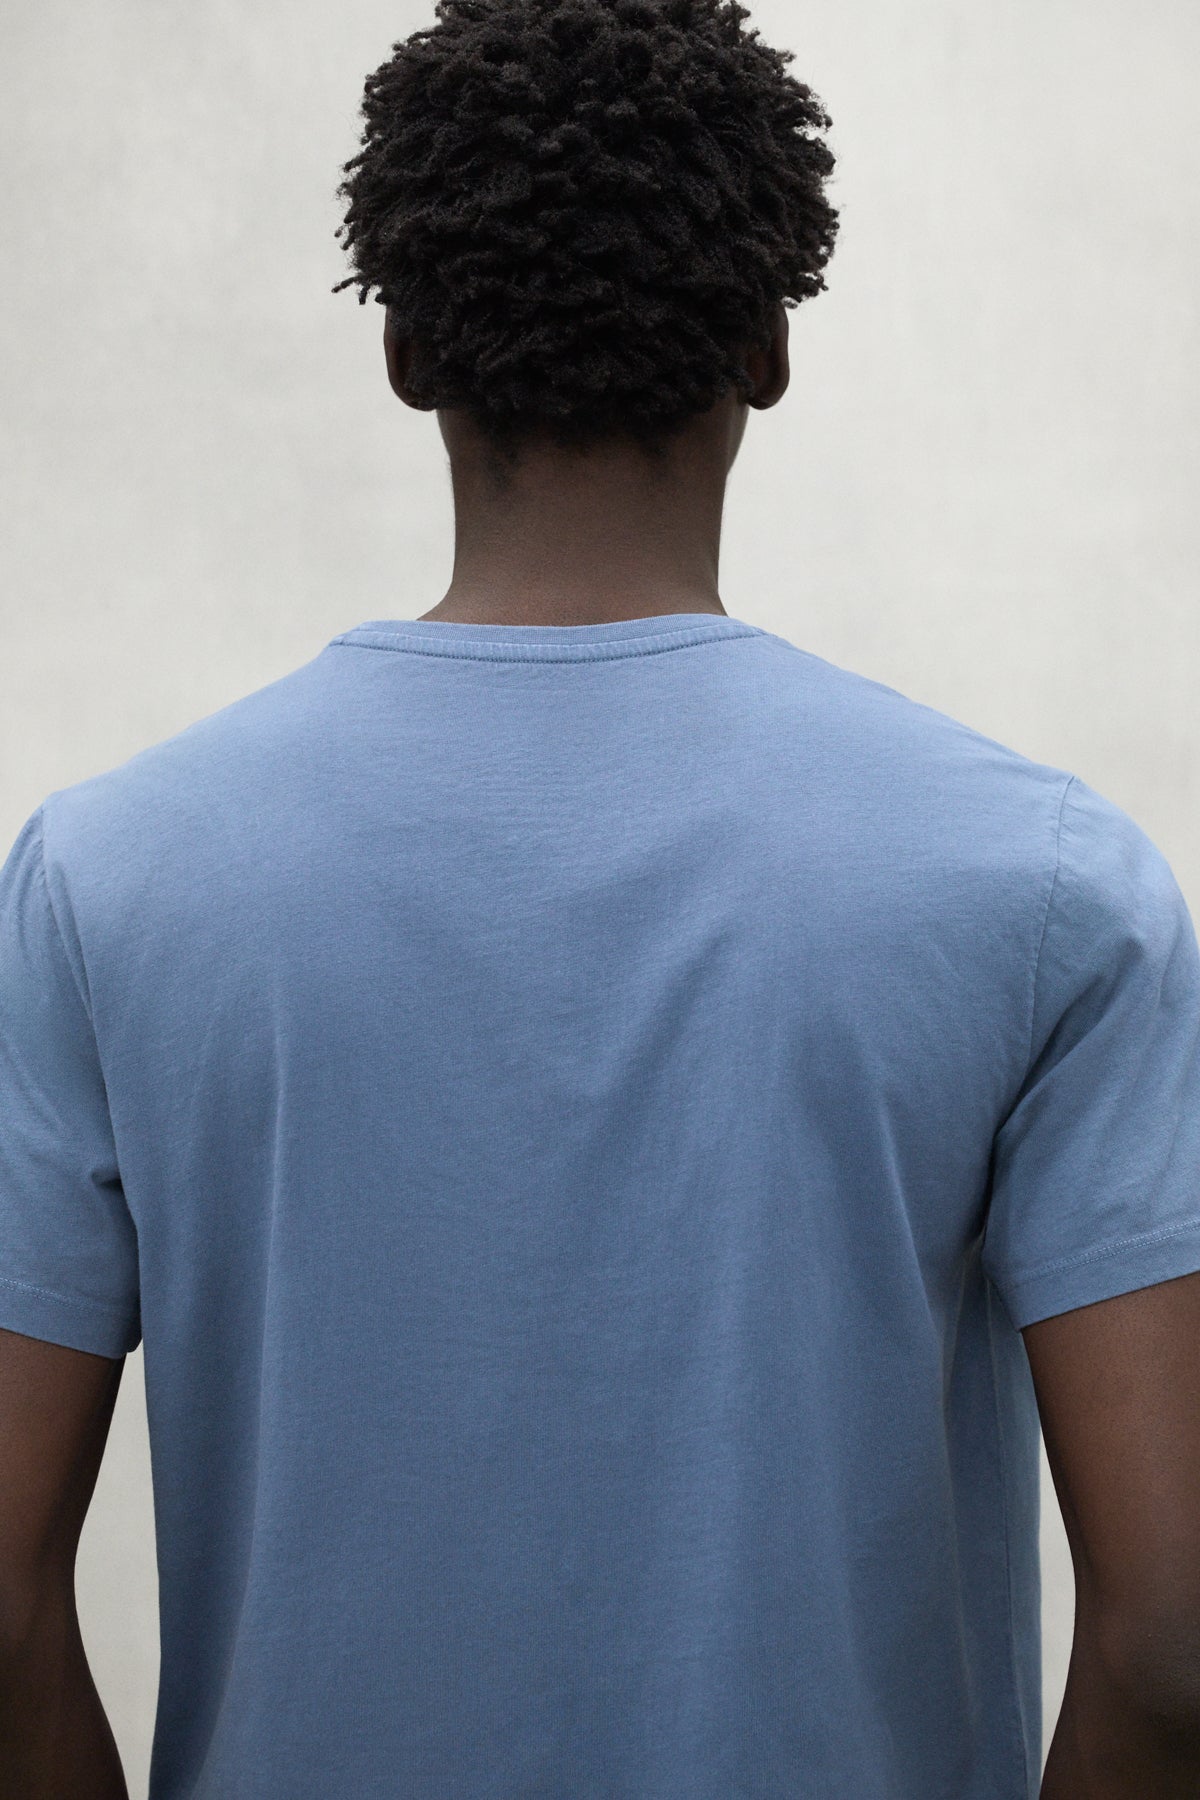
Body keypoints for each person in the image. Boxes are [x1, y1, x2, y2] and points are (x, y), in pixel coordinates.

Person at [2, 0, 1199, 1794]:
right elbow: (1172, 1639)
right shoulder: (1047, 886)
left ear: (405, 349)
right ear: (770, 347)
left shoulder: (109, 879)